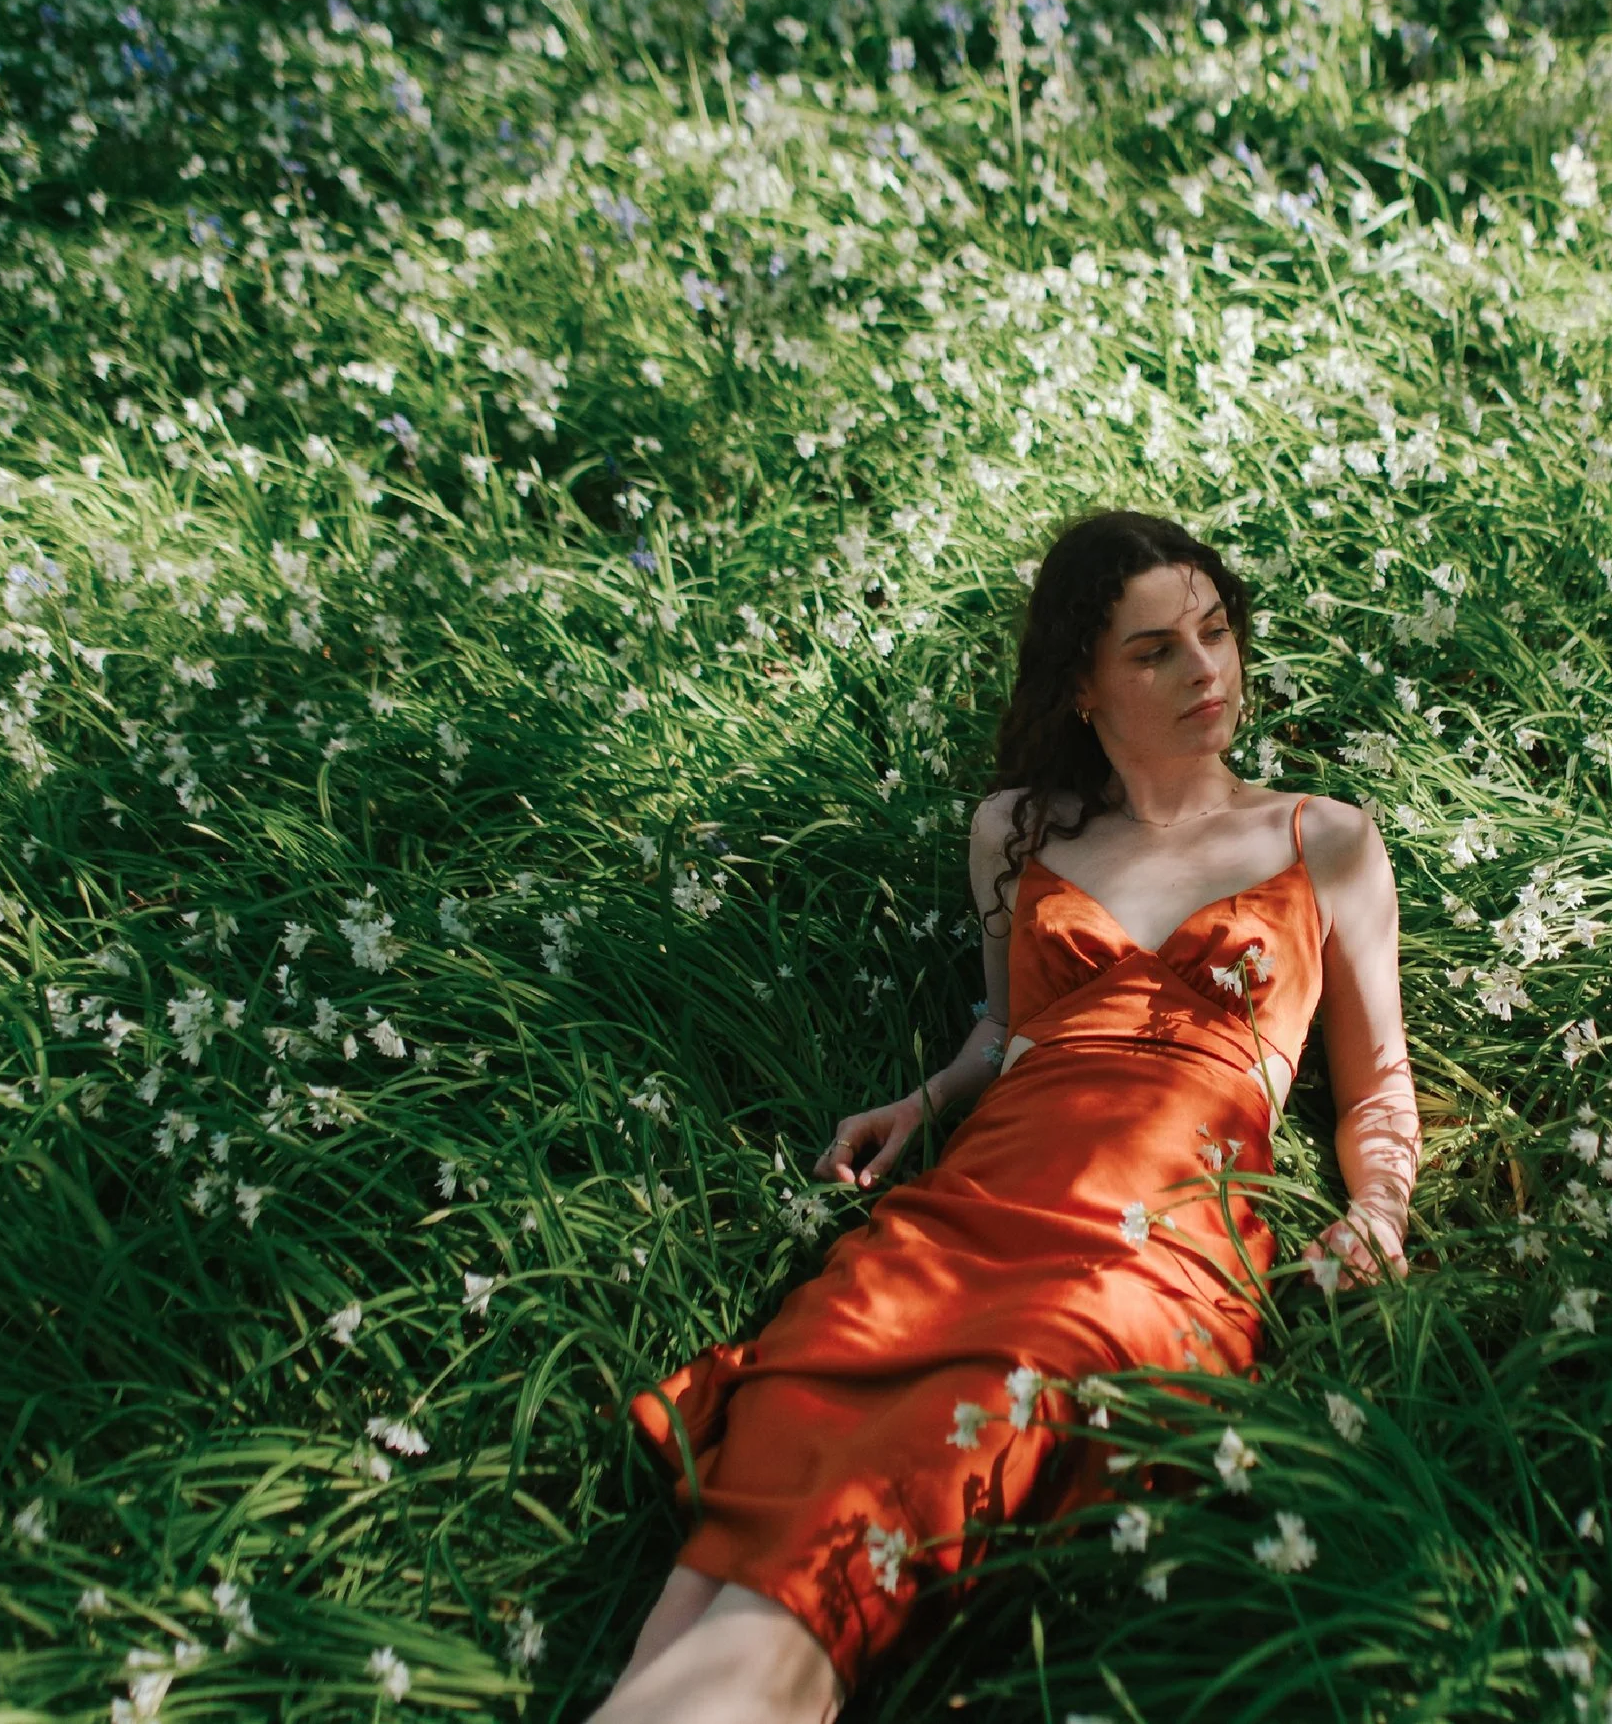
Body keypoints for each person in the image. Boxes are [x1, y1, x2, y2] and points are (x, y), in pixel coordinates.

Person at [591, 509, 1421, 1723]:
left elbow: (1378, 1083)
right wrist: (916, 1103)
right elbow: (1009, 1031)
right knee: (782, 1458)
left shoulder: (1322, 840)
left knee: (887, 1493)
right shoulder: (1018, 831)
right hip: (970, 1209)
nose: (1205, 671)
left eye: (1216, 633)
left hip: (1146, 1250)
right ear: (1079, 687)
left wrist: (1378, 1208)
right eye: (1153, 652)